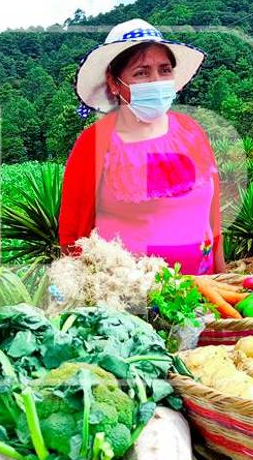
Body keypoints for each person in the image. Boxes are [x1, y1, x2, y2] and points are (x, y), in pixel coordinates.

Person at [59, 19, 225, 274]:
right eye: (141, 72)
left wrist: (222, 276)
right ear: (114, 83)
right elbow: (74, 234)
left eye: (164, 69)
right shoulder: (93, 143)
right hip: (127, 301)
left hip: (205, 297)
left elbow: (212, 218)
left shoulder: (192, 131)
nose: (155, 81)